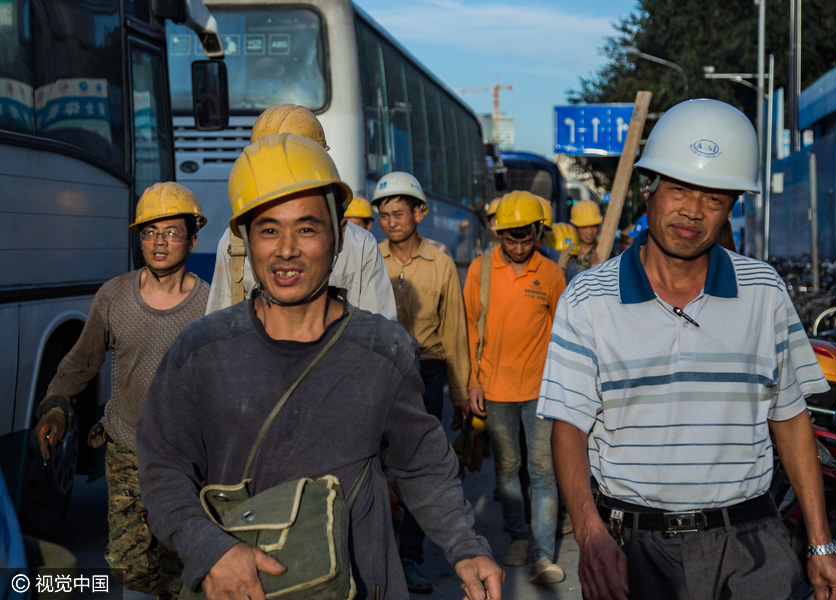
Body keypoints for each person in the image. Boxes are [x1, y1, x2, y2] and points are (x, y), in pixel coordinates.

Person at [136, 134, 504, 600]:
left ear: (338, 236)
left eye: (307, 229)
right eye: (269, 230)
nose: (286, 249)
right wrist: (209, 550)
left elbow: (421, 463)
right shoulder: (202, 350)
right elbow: (163, 467)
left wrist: (465, 546)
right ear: (246, 239)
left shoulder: (383, 349)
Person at [538, 99, 836, 600]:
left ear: (732, 207)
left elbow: (790, 417)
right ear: (649, 189)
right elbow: (569, 427)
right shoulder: (588, 298)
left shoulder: (763, 292)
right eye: (679, 189)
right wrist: (589, 533)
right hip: (635, 550)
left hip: (751, 548)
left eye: (714, 197)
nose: (692, 211)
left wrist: (820, 543)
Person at [35, 182, 210, 600]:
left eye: (172, 232)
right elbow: (82, 361)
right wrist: (57, 405)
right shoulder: (113, 296)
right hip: (127, 448)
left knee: (181, 563)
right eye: (150, 232)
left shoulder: (210, 305)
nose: (159, 242)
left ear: (192, 241)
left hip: (187, 457)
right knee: (129, 564)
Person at [370, 171, 471, 594]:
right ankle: (377, 556)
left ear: (419, 213)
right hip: (378, 373)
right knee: (373, 468)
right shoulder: (370, 259)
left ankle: (410, 558)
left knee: (418, 467)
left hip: (426, 375)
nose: (391, 222)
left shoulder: (441, 264)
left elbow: (454, 333)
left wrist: (461, 393)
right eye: (384, 215)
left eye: (399, 213)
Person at [205, 103, 396, 320]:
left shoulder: (360, 244)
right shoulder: (234, 242)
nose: (287, 251)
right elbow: (220, 324)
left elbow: (378, 331)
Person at [463, 191, 567, 585]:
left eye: (527, 239)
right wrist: (472, 382)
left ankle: (542, 555)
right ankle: (519, 536)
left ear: (538, 233)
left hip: (540, 391)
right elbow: (469, 329)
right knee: (507, 469)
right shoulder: (481, 270)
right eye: (512, 240)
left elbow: (563, 335)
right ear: (499, 235)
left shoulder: (551, 275)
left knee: (543, 471)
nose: (520, 248)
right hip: (495, 390)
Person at [558, 200, 602, 282]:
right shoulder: (567, 250)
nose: (590, 231)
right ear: (575, 227)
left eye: (594, 226)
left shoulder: (604, 252)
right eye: (584, 227)